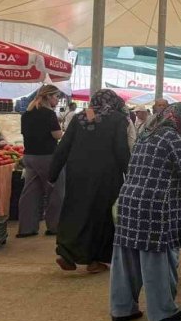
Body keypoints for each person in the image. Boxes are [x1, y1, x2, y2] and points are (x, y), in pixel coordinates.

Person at [110, 103, 181, 321]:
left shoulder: (145, 134)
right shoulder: (171, 137)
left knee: (126, 258)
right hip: (155, 206)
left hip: (129, 202)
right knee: (155, 259)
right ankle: (162, 312)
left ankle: (122, 309)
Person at [50, 90, 131, 273]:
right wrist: (131, 174)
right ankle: (93, 260)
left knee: (75, 209)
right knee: (101, 215)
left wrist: (52, 173)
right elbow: (120, 148)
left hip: (78, 172)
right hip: (106, 175)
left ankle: (67, 253)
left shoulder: (82, 116)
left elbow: (64, 145)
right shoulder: (118, 119)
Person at [17, 85, 65, 238]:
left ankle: (26, 228)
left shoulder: (26, 114)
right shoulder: (49, 114)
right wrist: (64, 132)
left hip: (29, 157)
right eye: (56, 97)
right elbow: (57, 135)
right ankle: (54, 227)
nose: (57, 100)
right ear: (48, 96)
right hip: (47, 157)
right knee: (56, 192)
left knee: (30, 193)